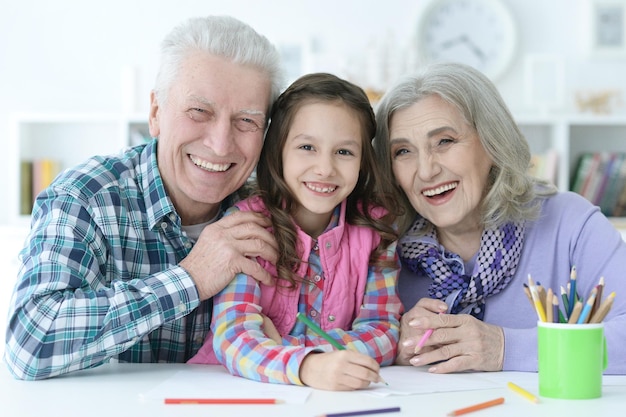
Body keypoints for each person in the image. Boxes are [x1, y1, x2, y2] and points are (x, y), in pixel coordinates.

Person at [4, 15, 285, 380]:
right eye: (199, 111)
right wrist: (192, 278)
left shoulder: (272, 208)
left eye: (246, 121)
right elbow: (30, 342)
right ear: (156, 113)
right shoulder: (86, 197)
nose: (220, 143)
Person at [372, 62, 626, 374]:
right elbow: (325, 339)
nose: (426, 171)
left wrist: (505, 348)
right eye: (403, 152)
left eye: (445, 141)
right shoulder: (380, 242)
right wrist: (389, 344)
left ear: (492, 142)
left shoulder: (570, 223)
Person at [188, 73, 403, 391]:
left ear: (362, 161)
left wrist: (304, 352)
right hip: (236, 392)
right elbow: (234, 337)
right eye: (307, 147)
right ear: (278, 151)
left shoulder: (376, 231)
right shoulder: (246, 227)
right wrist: (306, 366)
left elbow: (384, 332)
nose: (325, 168)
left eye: (344, 152)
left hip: (329, 396)